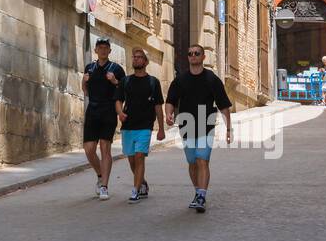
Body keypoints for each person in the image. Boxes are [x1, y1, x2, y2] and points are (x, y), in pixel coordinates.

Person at [165, 44, 233, 213]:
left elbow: (223, 105)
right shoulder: (180, 80)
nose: (193, 56)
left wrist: (229, 129)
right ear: (188, 57)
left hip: (206, 126)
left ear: (203, 57)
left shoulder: (212, 79)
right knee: (192, 162)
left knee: (202, 160)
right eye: (190, 54)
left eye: (197, 53)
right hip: (186, 126)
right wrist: (168, 114)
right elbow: (170, 100)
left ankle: (201, 196)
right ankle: (197, 191)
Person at [116, 48, 166, 202]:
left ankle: (135, 190)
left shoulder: (153, 82)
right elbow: (118, 100)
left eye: (139, 57)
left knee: (139, 157)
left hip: (145, 126)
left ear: (145, 61)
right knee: (132, 160)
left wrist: (161, 129)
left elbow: (158, 106)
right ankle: (142, 182)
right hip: (128, 126)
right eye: (134, 57)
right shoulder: (125, 81)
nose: (136, 59)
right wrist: (120, 113)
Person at [81, 38, 126, 199]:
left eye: (106, 48)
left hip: (108, 110)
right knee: (89, 149)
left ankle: (105, 186)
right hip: (92, 109)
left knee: (105, 147)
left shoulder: (116, 69)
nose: (103, 50)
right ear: (95, 50)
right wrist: (84, 81)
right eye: (100, 47)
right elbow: (85, 90)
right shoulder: (90, 67)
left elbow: (124, 90)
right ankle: (100, 175)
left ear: (109, 51)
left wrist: (115, 81)